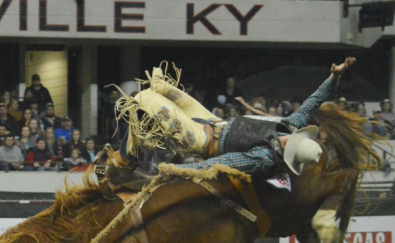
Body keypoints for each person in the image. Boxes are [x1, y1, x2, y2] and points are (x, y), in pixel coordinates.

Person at [113, 58, 356, 177]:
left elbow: (223, 164)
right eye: (290, 140)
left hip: (203, 141)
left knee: (148, 100)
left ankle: (126, 157)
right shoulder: (291, 126)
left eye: (288, 147)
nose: (285, 140)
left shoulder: (264, 158)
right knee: (163, 89)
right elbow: (313, 102)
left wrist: (175, 169)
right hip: (215, 123)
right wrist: (333, 77)